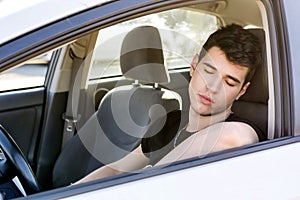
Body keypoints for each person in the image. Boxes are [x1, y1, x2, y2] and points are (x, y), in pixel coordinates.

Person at [75, 24, 263, 184]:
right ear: (193, 66)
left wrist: (148, 180)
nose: (213, 88)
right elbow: (117, 170)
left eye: (229, 82)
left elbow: (234, 138)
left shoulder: (238, 129)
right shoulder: (169, 122)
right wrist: (71, 191)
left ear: (242, 91)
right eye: (208, 71)